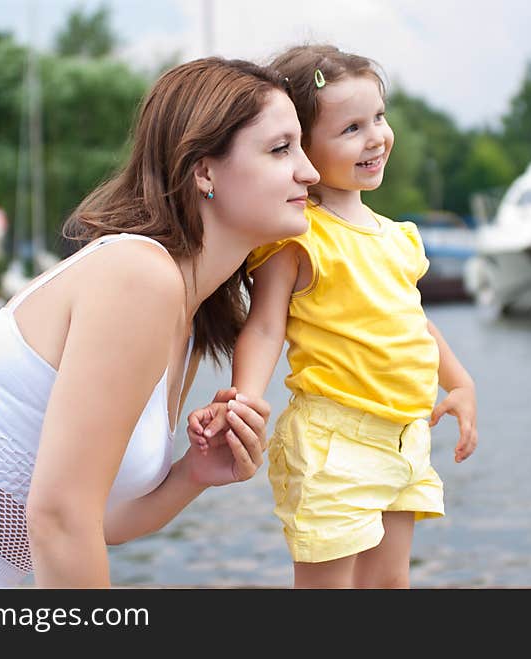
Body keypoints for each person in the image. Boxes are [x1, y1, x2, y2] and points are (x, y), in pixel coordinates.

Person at [0, 56, 320, 588]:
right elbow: (58, 520)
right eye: (280, 149)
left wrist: (193, 475)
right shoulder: (139, 277)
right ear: (204, 170)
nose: (309, 171)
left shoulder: (188, 317)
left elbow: (96, 521)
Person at [189, 45, 478, 588]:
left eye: (379, 117)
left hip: (404, 435)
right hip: (335, 439)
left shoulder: (396, 236)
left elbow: (411, 322)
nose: (376, 137)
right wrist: (245, 397)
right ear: (303, 147)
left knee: (389, 584)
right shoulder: (302, 235)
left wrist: (459, 382)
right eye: (351, 128)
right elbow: (267, 324)